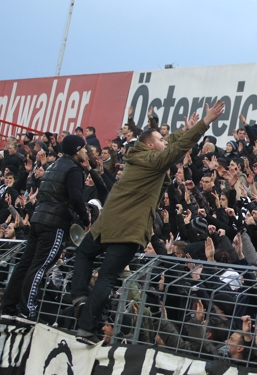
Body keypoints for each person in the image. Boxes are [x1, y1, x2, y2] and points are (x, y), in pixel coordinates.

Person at [71, 101, 225, 344]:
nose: (166, 142)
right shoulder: (153, 161)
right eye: (161, 141)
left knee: (84, 253)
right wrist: (204, 125)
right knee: (107, 278)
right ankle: (87, 329)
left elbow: (170, 143)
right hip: (129, 230)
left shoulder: (139, 156)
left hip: (107, 223)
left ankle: (79, 298)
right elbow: (173, 150)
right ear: (151, 145)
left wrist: (185, 130)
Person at [1, 134, 90, 323]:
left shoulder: (52, 166)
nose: (86, 151)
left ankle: (8, 307)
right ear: (76, 150)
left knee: (25, 263)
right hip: (54, 224)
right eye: (83, 147)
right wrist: (85, 218)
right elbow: (76, 197)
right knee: (40, 266)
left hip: (38, 220)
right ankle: (27, 311)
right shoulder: (74, 170)